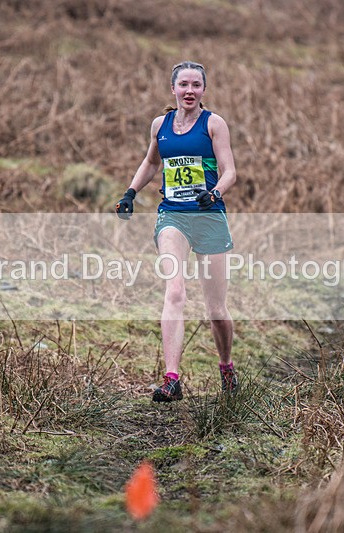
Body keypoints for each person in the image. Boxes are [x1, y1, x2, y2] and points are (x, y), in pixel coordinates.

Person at [115, 61, 238, 402]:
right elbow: (152, 162)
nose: (189, 90)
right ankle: (172, 378)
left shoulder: (213, 124)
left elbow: (230, 171)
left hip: (209, 217)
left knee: (216, 310)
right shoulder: (160, 125)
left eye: (196, 85)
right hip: (173, 217)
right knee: (175, 292)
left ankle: (226, 366)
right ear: (173, 89)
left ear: (203, 90)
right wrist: (130, 193)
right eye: (183, 84)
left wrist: (215, 193)